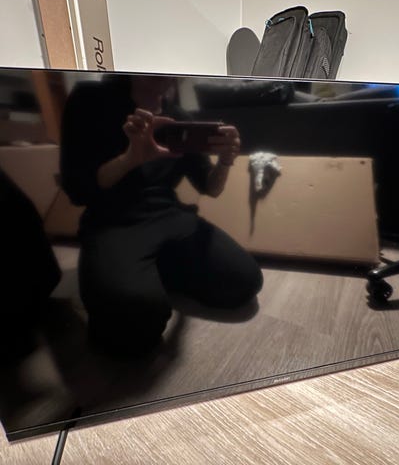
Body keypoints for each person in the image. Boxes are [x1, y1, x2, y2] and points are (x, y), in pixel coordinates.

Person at [60, 74, 263, 355]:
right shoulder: (89, 99)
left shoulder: (178, 117)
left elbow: (210, 187)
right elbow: (78, 190)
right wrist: (130, 159)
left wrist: (226, 161)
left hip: (169, 215)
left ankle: (148, 273)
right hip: (112, 220)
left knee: (245, 281)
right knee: (135, 324)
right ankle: (138, 278)